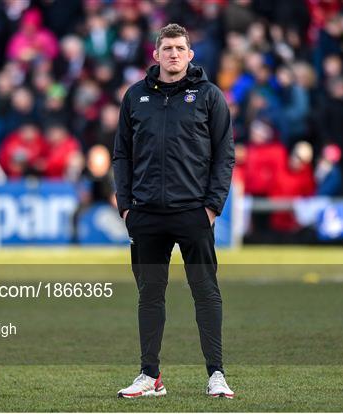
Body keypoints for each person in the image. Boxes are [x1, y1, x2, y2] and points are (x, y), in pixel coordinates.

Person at [113, 23, 235, 399]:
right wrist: (127, 207)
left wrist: (212, 207)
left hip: (193, 213)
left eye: (180, 48)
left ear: (190, 54)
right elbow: (121, 154)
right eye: (167, 48)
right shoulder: (135, 97)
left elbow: (224, 155)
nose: (174, 54)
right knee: (150, 295)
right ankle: (150, 376)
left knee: (205, 292)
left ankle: (216, 374)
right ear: (156, 54)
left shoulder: (209, 97)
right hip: (146, 214)